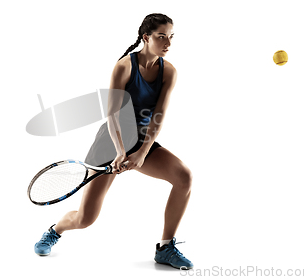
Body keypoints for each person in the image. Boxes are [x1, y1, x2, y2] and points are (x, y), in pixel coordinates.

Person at [34, 13, 193, 269]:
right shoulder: (124, 67)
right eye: (162, 36)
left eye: (171, 37)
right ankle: (56, 230)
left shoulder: (169, 71)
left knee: (184, 176)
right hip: (111, 142)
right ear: (146, 37)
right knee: (85, 219)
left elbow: (158, 116)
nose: (168, 43)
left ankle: (165, 248)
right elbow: (113, 114)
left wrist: (141, 152)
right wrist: (120, 151)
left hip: (143, 141)